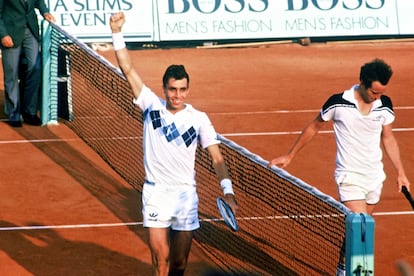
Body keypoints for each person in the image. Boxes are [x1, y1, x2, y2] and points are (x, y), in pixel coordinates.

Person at [109, 12, 238, 276]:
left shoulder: (199, 119)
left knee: (179, 265)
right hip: (156, 194)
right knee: (162, 260)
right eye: (172, 89)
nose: (177, 95)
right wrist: (116, 32)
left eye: (182, 90)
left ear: (187, 90)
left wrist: (228, 192)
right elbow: (128, 69)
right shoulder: (150, 106)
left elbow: (217, 158)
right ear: (164, 88)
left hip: (185, 197)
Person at [267, 58, 410, 276]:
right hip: (349, 176)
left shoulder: (384, 105)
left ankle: (343, 269)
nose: (377, 98)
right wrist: (290, 155)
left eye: (381, 93)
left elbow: (388, 138)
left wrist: (400, 172)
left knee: (356, 233)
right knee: (362, 230)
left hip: (374, 177)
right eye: (374, 93)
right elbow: (314, 126)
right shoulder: (338, 103)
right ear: (362, 83)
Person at [0, 0, 55, 127]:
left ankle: (29, 111)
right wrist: (3, 35)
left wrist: (45, 12)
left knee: (35, 68)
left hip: (31, 30)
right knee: (11, 74)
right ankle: (13, 113)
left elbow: (39, 2)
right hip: (10, 33)